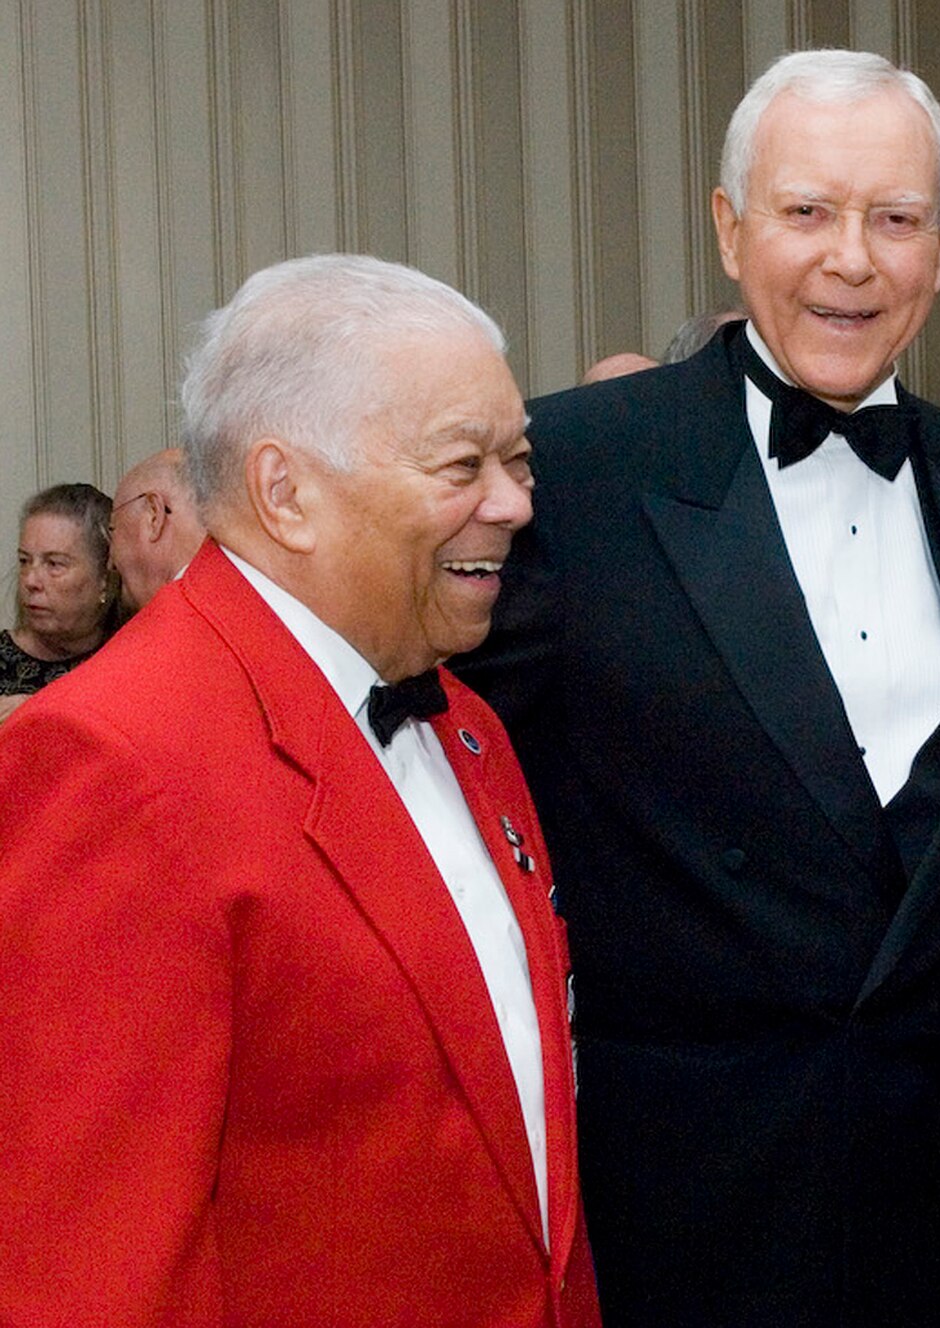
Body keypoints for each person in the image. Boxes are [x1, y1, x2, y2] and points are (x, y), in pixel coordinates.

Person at [455, 49, 940, 1328]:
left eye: (893, 220)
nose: (852, 258)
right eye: (806, 211)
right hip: (674, 1212)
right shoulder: (572, 464)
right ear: (729, 228)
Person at [0, 254, 599, 1326]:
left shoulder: (470, 728)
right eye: (462, 464)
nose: (512, 504)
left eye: (517, 459)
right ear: (287, 492)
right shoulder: (113, 762)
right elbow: (89, 1268)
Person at [2, 483, 115, 722]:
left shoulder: (131, 659)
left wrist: (40, 709)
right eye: (24, 561)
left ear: (104, 578)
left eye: (54, 564)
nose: (31, 580)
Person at [108, 446, 206, 612]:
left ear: (154, 515)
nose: (111, 563)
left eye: (113, 529)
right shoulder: (254, 599)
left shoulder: (158, 633)